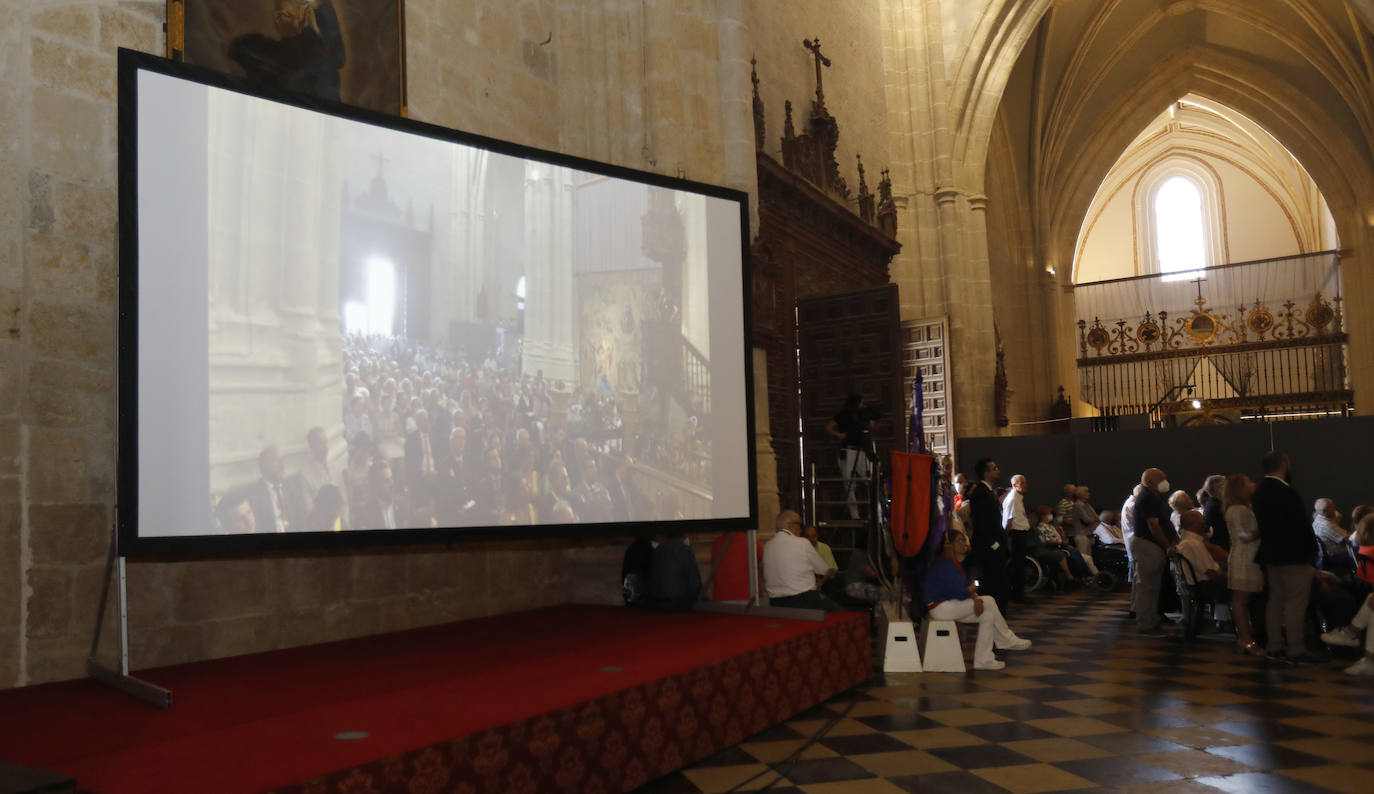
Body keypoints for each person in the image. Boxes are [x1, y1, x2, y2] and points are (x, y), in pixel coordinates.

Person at [920, 528, 1032, 671]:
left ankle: (984, 659)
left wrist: (975, 596)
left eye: (965, 540)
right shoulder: (948, 564)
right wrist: (973, 593)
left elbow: (961, 589)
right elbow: (959, 592)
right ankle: (1005, 640)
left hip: (945, 605)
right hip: (941, 607)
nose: (964, 544)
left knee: (987, 616)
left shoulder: (949, 562)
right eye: (960, 541)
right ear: (950, 545)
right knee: (990, 601)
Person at [1254, 451, 1318, 660]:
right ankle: (1296, 648)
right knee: (1295, 602)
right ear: (1285, 464)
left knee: (1275, 600)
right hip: (1293, 555)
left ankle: (1274, 644)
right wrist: (1312, 551)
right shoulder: (1286, 491)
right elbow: (1300, 526)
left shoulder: (1260, 490)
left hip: (1271, 555)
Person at [228, 0, 347, 102]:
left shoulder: (300, 59)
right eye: (272, 44)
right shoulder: (302, 76)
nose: (277, 19)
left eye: (273, 42)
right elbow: (335, 56)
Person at [763, 510, 841, 610]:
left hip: (776, 602)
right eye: (801, 526)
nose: (801, 531)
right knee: (841, 613)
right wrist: (819, 582)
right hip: (804, 600)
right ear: (793, 526)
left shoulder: (767, 545)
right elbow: (824, 570)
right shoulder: (802, 543)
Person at [1131, 467, 1177, 635]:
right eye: (1161, 479)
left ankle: (1151, 619)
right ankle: (1145, 622)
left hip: (1151, 546)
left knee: (1153, 586)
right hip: (1148, 545)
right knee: (1147, 586)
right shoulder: (1147, 498)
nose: (1165, 482)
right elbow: (1154, 526)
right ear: (1150, 482)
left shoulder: (1152, 497)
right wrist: (1167, 546)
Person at [1224, 472, 1265, 656]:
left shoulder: (1241, 508)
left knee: (1243, 599)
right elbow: (1244, 536)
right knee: (1241, 600)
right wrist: (1263, 529)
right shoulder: (1238, 510)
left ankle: (1247, 636)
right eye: (1248, 482)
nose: (1252, 484)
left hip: (1247, 555)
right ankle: (1246, 639)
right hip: (1245, 557)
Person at [967, 459, 1011, 616]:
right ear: (986, 473)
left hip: (994, 546)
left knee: (998, 584)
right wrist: (994, 544)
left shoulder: (987, 491)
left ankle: (998, 617)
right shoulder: (980, 493)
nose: (998, 470)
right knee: (994, 584)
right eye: (994, 468)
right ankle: (995, 617)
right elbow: (981, 522)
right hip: (989, 548)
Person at [826, 394, 876, 519]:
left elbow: (872, 426)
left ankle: (874, 511)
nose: (862, 406)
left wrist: (868, 416)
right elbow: (828, 427)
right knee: (848, 483)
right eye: (861, 403)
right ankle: (855, 514)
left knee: (869, 479)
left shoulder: (862, 416)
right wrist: (839, 435)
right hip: (847, 450)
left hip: (861, 450)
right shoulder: (842, 415)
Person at [1176, 509, 1227, 601]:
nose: (1205, 523)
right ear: (1194, 525)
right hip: (1206, 586)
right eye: (1202, 521)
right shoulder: (1193, 544)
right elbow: (1210, 572)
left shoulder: (1188, 541)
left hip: (1200, 586)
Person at [709, 531, 763, 604]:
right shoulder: (751, 540)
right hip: (746, 595)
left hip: (722, 596)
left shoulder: (717, 543)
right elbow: (762, 564)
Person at [1002, 474, 1032, 604]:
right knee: (1017, 566)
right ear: (1014, 485)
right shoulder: (1013, 498)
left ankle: (1019, 593)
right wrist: (1005, 536)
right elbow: (1008, 520)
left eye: (1025, 482)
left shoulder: (1018, 498)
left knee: (1020, 565)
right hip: (1016, 535)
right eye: (1022, 483)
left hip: (1020, 534)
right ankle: (1017, 596)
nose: (1025, 485)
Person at [1313, 498, 1356, 577]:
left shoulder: (1317, 519)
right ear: (1324, 512)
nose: (1335, 509)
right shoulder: (1327, 525)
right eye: (1332, 508)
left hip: (1328, 554)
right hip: (1337, 555)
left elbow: (1337, 515)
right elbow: (1350, 539)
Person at [1071, 486, 1101, 576]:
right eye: (1086, 492)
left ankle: (1090, 577)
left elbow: (1097, 517)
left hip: (1089, 534)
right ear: (1080, 494)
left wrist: (1094, 518)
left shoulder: (1087, 505)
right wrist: (1094, 518)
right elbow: (1087, 519)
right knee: (1083, 558)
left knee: (1090, 558)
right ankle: (1082, 576)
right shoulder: (1077, 505)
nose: (1089, 494)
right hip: (1081, 535)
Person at [1198, 474, 1230, 549]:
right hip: (1222, 546)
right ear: (1217, 488)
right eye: (1225, 485)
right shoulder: (1217, 506)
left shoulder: (1211, 503)